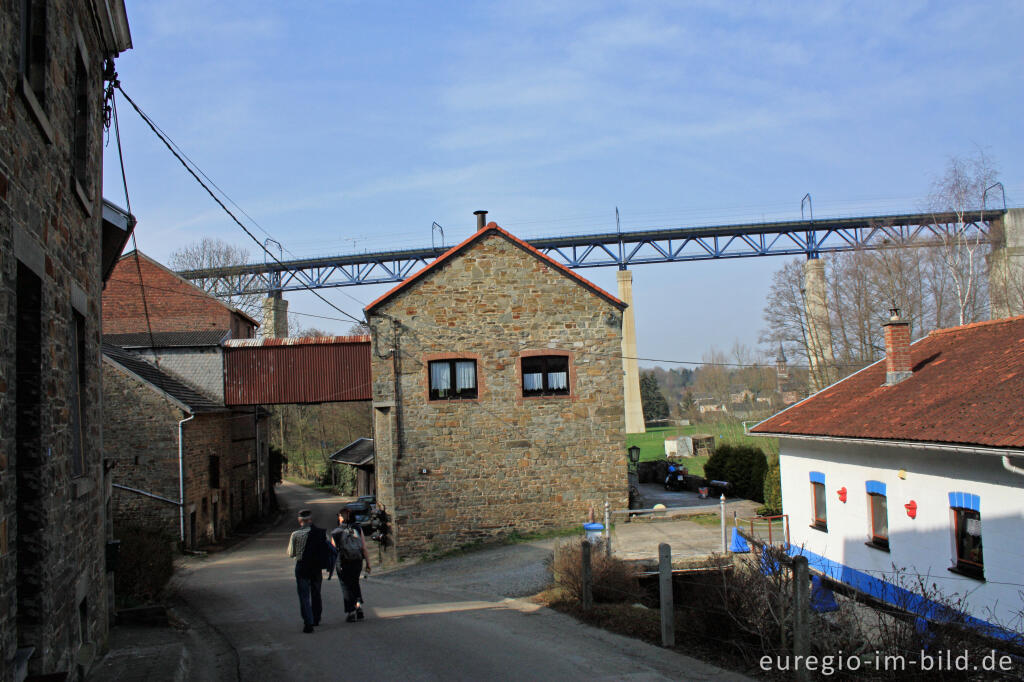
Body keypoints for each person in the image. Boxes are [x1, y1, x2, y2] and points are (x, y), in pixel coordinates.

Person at [286, 509, 332, 633]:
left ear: (300, 520)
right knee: (316, 592)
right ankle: (316, 617)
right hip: (316, 567)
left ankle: (308, 622)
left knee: (304, 595)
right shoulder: (321, 533)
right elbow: (326, 548)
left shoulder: (296, 534)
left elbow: (291, 553)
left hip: (302, 566)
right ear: (310, 520)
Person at [331, 507, 372, 622]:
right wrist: (368, 563)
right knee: (355, 583)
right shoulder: (358, 529)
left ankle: (351, 611)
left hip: (343, 562)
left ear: (340, 517)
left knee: (346, 586)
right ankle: (358, 605)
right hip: (357, 561)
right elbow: (363, 547)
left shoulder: (336, 532)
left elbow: (333, 549)